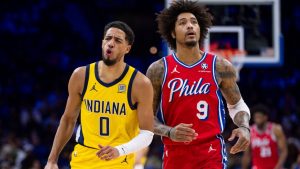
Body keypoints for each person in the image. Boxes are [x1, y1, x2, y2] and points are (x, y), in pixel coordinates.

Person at [146, 1, 251, 168]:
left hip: (211, 154)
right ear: (172, 33)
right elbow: (145, 117)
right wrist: (169, 131)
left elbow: (237, 105)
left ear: (200, 28)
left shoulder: (220, 66)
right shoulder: (158, 69)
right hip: (175, 154)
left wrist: (244, 126)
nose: (190, 26)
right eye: (183, 23)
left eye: (194, 22)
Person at [44, 21, 154, 169]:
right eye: (108, 38)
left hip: (118, 161)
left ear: (128, 48)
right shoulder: (81, 75)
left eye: (117, 40)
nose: (111, 43)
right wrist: (52, 160)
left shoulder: (140, 83)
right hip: (82, 159)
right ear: (102, 42)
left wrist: (119, 150)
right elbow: (68, 119)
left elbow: (147, 134)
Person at [241, 104, 287, 169]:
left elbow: (283, 151)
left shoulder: (276, 129)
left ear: (265, 117)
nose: (257, 120)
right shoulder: (250, 132)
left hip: (274, 166)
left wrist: (278, 166)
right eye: (255, 117)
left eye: (259, 117)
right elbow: (247, 155)